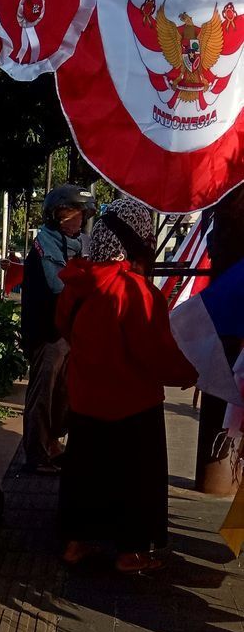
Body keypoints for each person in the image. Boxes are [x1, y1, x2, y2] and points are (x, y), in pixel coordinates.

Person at [56, 197, 196, 573]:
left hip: (86, 402)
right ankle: (131, 552)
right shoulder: (134, 291)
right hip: (132, 405)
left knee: (85, 476)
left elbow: (64, 328)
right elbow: (156, 352)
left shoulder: (76, 283)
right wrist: (190, 373)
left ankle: (76, 542)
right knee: (136, 482)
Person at [21, 185, 95, 472]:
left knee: (63, 393)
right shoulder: (45, 245)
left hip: (69, 332)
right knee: (44, 392)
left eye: (80, 215)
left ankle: (52, 443)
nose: (77, 221)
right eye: (71, 214)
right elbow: (57, 285)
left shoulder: (81, 244)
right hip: (47, 333)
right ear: (56, 216)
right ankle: (36, 454)